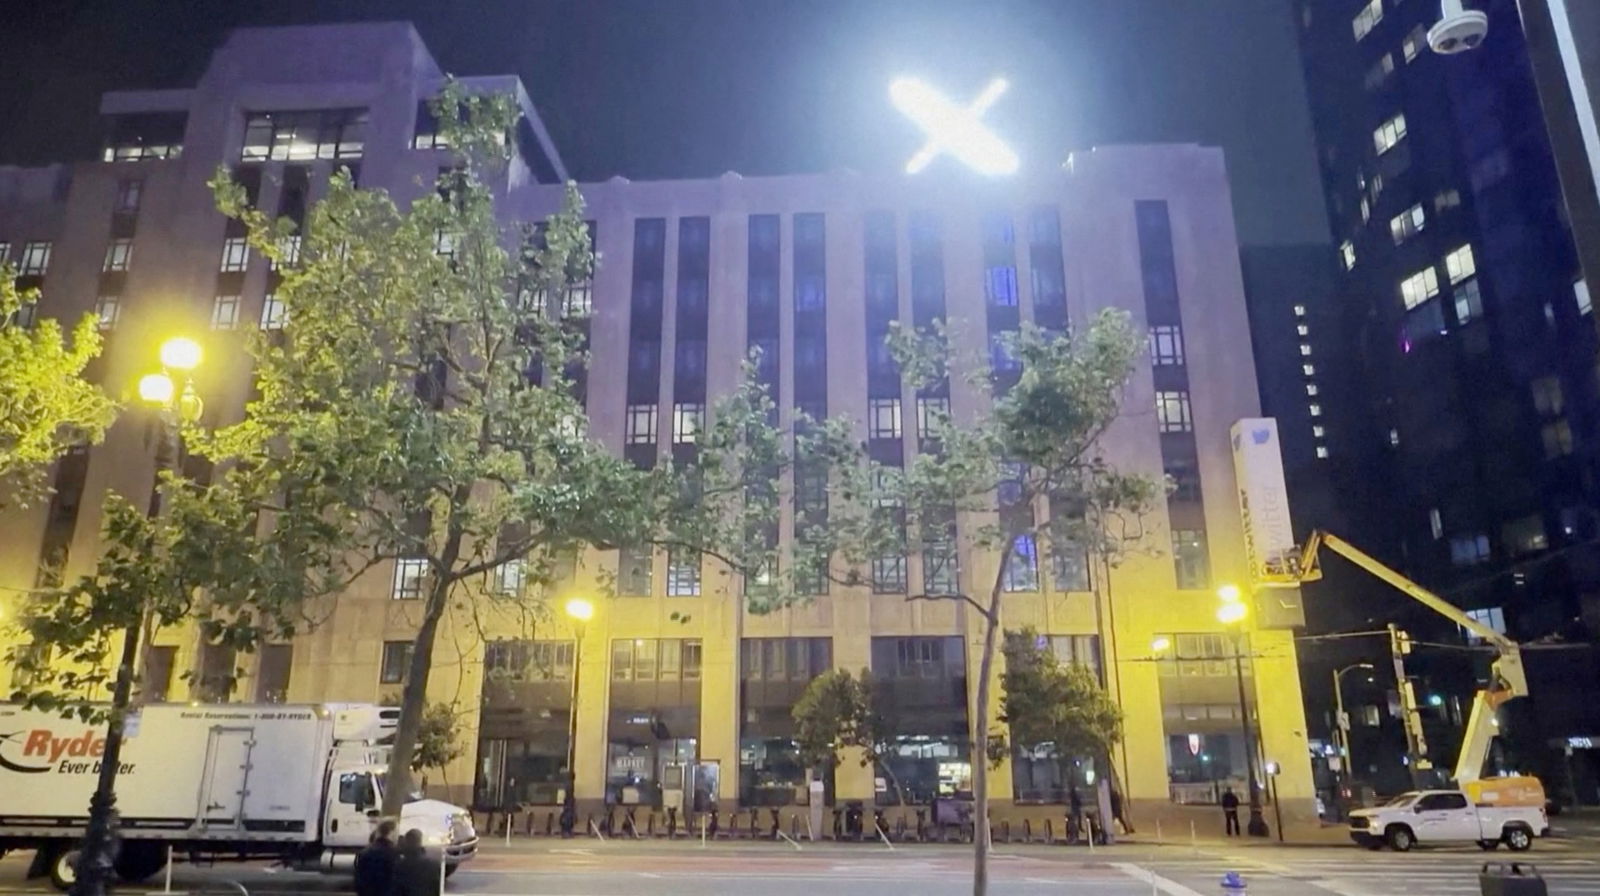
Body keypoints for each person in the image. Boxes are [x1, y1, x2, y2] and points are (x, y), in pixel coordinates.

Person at [352, 819, 398, 896]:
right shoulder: (393, 852)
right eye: (397, 831)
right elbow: (394, 879)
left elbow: (358, 879)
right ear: (392, 832)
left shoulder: (365, 851)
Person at [393, 828, 441, 896]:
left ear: (406, 842)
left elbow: (396, 889)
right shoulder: (433, 864)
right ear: (420, 841)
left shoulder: (400, 865)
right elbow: (436, 888)